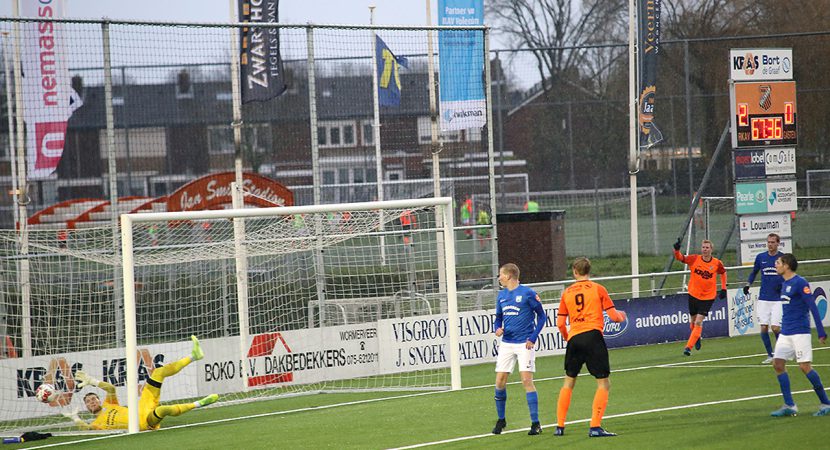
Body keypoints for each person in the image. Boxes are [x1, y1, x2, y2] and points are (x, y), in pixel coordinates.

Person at [62, 335, 219, 430]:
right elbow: (87, 428)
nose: (91, 402)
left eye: (93, 399)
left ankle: (194, 356)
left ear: (98, 400)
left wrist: (92, 381)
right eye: (88, 402)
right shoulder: (98, 424)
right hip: (143, 423)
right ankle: (199, 403)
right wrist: (75, 418)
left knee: (158, 372)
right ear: (87, 407)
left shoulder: (109, 404)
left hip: (143, 405)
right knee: (163, 410)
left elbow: (110, 388)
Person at [555, 257, 627, 437]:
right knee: (603, 383)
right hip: (593, 337)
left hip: (575, 338)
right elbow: (614, 317)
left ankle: (560, 426)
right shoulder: (598, 288)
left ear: (574, 272)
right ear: (589, 271)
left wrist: (568, 338)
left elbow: (560, 323)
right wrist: (622, 316)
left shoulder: (567, 293)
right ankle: (595, 427)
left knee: (569, 381)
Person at [769, 254, 830, 417]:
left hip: (800, 332)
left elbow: (812, 306)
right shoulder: (784, 284)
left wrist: (820, 331)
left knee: (804, 366)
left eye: (778, 262)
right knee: (778, 364)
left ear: (787, 265)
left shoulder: (800, 282)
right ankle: (790, 405)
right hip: (786, 332)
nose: (776, 265)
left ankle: (826, 403)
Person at [491, 263, 546, 436]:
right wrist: (497, 328)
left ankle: (535, 423)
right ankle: (501, 420)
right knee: (500, 381)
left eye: (501, 274)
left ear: (508, 276)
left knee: (526, 381)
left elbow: (542, 316)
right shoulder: (501, 295)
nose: (499, 278)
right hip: (507, 343)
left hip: (524, 343)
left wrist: (533, 337)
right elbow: (498, 318)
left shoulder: (528, 293)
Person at [673, 238, 727, 356]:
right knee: (693, 320)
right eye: (703, 247)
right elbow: (680, 258)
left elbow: (723, 272)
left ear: (711, 249)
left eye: (707, 247)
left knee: (698, 321)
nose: (705, 249)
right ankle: (696, 337)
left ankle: (688, 347)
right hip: (693, 294)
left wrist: (724, 288)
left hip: (708, 297)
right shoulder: (694, 259)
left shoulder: (717, 263)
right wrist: (676, 250)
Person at [744, 233, 784, 364]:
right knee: (763, 328)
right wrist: (748, 284)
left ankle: (782, 351)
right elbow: (754, 272)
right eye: (769, 242)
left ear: (778, 243)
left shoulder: (783, 258)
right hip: (764, 298)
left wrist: (784, 287)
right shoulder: (761, 257)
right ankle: (770, 355)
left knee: (775, 328)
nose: (770, 244)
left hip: (777, 299)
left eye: (773, 242)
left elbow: (788, 275)